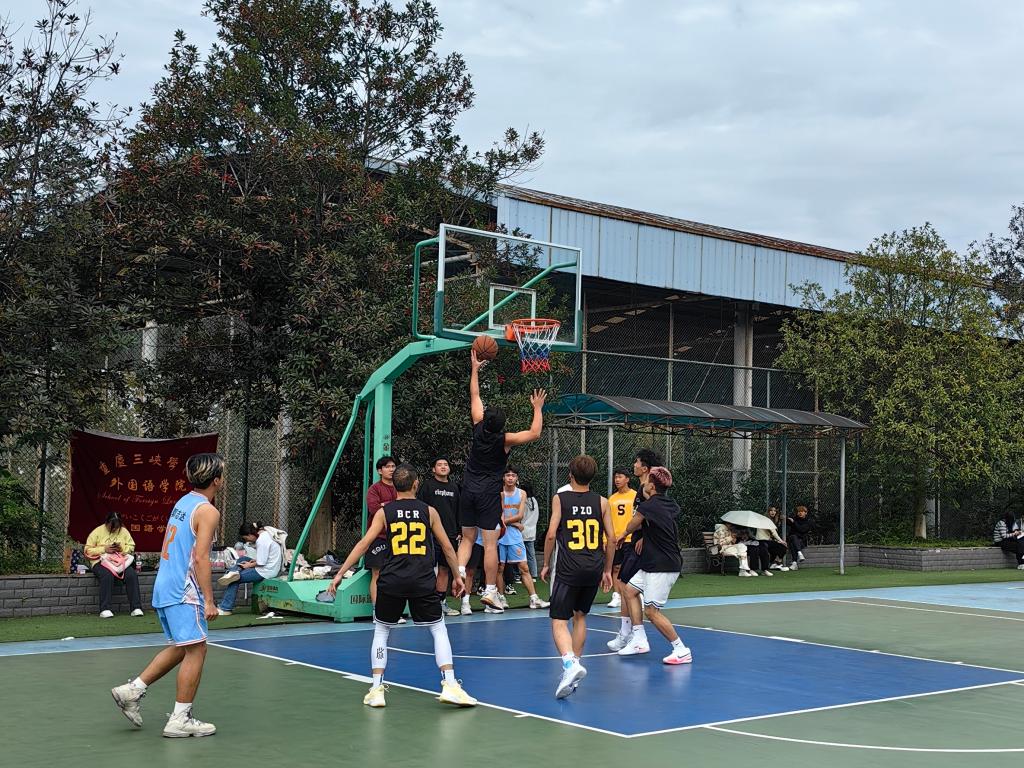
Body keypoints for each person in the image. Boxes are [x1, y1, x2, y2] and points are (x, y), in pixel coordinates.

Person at [326, 463, 477, 709]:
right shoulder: (429, 512)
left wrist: (340, 573)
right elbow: (448, 547)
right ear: (416, 484)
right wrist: (457, 576)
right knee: (438, 629)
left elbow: (364, 544)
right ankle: (450, 684)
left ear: (394, 486)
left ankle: (376, 689)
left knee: (381, 631)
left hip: (392, 579)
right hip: (422, 579)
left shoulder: (384, 512)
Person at [110, 453, 223, 738]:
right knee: (197, 649)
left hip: (166, 585)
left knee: (183, 646)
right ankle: (180, 719)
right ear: (217, 480)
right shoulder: (208, 511)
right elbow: (200, 558)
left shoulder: (183, 502)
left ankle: (132, 690)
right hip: (184, 589)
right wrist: (209, 600)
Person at [456, 349, 546, 613]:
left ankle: (459, 573)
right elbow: (535, 433)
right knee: (490, 544)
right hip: (487, 494)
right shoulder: (504, 440)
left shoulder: (477, 426)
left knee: (467, 539)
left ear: (485, 419)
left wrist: (475, 368)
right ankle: (490, 591)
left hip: (468, 489)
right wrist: (537, 408)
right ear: (502, 425)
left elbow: (475, 395)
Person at [541, 455, 614, 698]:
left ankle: (570, 665)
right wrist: (607, 570)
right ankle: (573, 672)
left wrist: (546, 563)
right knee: (580, 616)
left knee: (559, 620)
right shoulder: (602, 502)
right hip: (594, 566)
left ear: (570, 475)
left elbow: (551, 534)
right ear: (592, 477)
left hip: (569, 568)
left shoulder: (560, 499)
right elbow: (612, 539)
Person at [615, 467, 692, 665]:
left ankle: (681, 650)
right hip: (654, 562)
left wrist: (623, 534)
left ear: (651, 486)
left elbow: (632, 525)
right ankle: (639, 640)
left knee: (651, 611)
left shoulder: (648, 506)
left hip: (662, 565)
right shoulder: (670, 504)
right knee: (629, 590)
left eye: (647, 481)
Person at [607, 449, 660, 652]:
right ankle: (629, 633)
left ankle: (633, 635)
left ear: (644, 468)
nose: (634, 465)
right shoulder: (642, 486)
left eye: (637, 462)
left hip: (640, 544)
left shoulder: (648, 487)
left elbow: (655, 515)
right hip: (633, 541)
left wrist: (645, 537)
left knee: (627, 587)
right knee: (626, 587)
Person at [497, 467, 549, 610]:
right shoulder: (499, 493)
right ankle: (500, 598)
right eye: (508, 475)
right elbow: (498, 516)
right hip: (500, 534)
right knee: (499, 568)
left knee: (524, 567)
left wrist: (511, 523)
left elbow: (520, 515)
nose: (510, 478)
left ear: (517, 478)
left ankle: (534, 598)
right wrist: (514, 524)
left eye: (513, 475)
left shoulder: (522, 493)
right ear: (503, 478)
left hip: (515, 536)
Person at [417, 456, 462, 616]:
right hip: (430, 535)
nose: (443, 467)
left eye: (446, 464)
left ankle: (441, 603)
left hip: (450, 535)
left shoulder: (454, 487)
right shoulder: (427, 486)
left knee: (444, 569)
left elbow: (458, 510)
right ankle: (425, 604)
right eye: (439, 464)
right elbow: (420, 508)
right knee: (427, 569)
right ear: (433, 469)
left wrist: (459, 531)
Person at [84, 511, 143, 618]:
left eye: (117, 527)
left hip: (120, 561)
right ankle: (105, 609)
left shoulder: (124, 531)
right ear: (106, 523)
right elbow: (87, 550)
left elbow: (131, 546)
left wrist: (122, 549)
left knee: (131, 575)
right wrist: (104, 549)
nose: (115, 529)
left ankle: (136, 608)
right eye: (112, 527)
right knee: (107, 575)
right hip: (101, 562)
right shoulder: (97, 532)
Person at [216, 522, 283, 615]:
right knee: (243, 559)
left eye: (246, 538)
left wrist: (249, 565)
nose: (247, 541)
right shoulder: (266, 534)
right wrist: (253, 562)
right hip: (270, 567)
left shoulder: (262, 540)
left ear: (250, 534)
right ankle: (232, 572)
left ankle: (225, 608)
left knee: (234, 579)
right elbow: (265, 558)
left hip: (266, 571)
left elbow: (261, 563)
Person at [366, 456, 398, 604]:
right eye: (387, 467)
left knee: (396, 574)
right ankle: (376, 609)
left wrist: (385, 504)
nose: (391, 469)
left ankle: (393, 610)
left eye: (393, 466)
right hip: (378, 538)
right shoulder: (374, 489)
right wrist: (392, 505)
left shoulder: (401, 488)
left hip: (397, 537)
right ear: (380, 471)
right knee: (377, 573)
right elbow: (374, 509)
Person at [606, 468, 637, 610]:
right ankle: (617, 595)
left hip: (630, 538)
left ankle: (635, 595)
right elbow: (608, 521)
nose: (617, 480)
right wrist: (606, 540)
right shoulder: (612, 499)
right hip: (616, 540)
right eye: (615, 477)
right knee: (616, 567)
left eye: (620, 477)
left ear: (627, 479)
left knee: (631, 568)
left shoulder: (635, 496)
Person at [520, 480, 540, 579]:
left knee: (519, 554)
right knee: (531, 555)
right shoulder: (534, 501)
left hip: (522, 530)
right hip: (532, 530)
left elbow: (521, 516)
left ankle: (518, 574)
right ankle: (534, 574)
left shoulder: (523, 501)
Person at [787, 505, 813, 570]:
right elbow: (788, 522)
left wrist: (794, 522)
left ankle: (794, 563)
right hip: (792, 539)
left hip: (801, 541)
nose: (800, 513)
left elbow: (802, 530)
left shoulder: (808, 521)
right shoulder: (795, 518)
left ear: (806, 513)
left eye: (802, 511)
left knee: (793, 543)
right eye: (798, 511)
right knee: (793, 537)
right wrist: (786, 518)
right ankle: (799, 553)